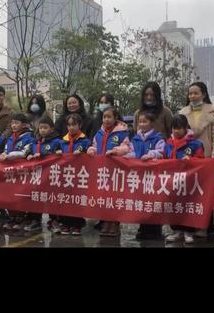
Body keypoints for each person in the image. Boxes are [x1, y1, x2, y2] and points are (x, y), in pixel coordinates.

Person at [179, 81, 214, 240]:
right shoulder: (183, 112)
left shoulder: (213, 111)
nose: (193, 96)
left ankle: (205, 227)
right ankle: (188, 226)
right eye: (190, 93)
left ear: (203, 94)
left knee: (204, 193)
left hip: (206, 156)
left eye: (196, 93)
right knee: (187, 193)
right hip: (186, 156)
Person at [133, 81, 173, 240]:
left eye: (152, 94)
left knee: (157, 195)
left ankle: (156, 229)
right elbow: (136, 134)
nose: (149, 97)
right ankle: (143, 227)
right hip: (141, 161)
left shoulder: (165, 112)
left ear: (157, 95)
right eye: (146, 95)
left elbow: (171, 134)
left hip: (159, 160)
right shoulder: (138, 113)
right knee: (142, 195)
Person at [88, 106, 130, 237]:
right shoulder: (99, 133)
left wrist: (116, 151)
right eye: (104, 117)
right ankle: (105, 222)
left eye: (109, 117)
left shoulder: (122, 132)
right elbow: (94, 145)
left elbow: (127, 147)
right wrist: (91, 150)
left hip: (116, 172)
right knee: (104, 198)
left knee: (115, 198)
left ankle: (115, 223)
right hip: (102, 173)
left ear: (115, 118)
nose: (106, 119)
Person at [164, 114, 205, 244]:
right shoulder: (168, 143)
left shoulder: (195, 144)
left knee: (187, 206)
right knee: (173, 206)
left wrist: (191, 160)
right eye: (174, 128)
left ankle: (189, 232)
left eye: (179, 128)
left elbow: (201, 161)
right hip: (171, 181)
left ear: (186, 128)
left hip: (188, 182)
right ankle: (176, 231)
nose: (176, 131)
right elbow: (164, 159)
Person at [0, 113, 35, 232]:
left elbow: (24, 152)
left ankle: (21, 218)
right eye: (12, 123)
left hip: (23, 172)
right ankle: (12, 217)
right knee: (10, 194)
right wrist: (3, 154)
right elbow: (6, 149)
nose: (13, 125)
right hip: (11, 172)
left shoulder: (29, 138)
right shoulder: (11, 137)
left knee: (21, 195)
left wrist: (8, 156)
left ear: (24, 125)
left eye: (16, 123)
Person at [24, 116, 62, 232]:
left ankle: (54, 220)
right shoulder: (35, 142)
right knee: (35, 197)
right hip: (37, 176)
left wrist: (46, 154)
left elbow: (60, 153)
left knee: (51, 198)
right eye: (41, 128)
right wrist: (29, 155)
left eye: (45, 128)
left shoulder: (57, 141)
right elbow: (28, 152)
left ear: (52, 129)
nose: (43, 130)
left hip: (51, 176)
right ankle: (35, 220)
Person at [57, 113, 91, 235]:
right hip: (65, 176)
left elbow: (90, 154)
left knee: (77, 200)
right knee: (65, 199)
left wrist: (85, 152)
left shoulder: (85, 141)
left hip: (79, 175)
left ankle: (76, 225)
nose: (71, 127)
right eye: (69, 125)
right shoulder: (62, 142)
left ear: (80, 125)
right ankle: (65, 224)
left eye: (74, 124)